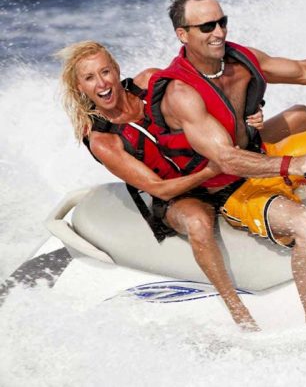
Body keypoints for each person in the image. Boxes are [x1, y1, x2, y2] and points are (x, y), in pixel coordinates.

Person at [146, 0, 306, 324]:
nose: (219, 32)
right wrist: (293, 164)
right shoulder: (181, 92)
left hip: (263, 156)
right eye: (207, 27)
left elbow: (304, 71)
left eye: (222, 22)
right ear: (183, 34)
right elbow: (226, 159)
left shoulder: (240, 61)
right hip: (231, 186)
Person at [56, 41, 264, 329]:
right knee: (198, 222)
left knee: (298, 116)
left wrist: (248, 117)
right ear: (80, 88)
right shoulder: (103, 140)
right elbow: (159, 189)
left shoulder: (152, 81)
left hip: (207, 159)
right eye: (90, 78)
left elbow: (211, 106)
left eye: (105, 72)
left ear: (116, 71)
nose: (101, 83)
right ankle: (238, 311)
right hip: (175, 193)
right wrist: (211, 171)